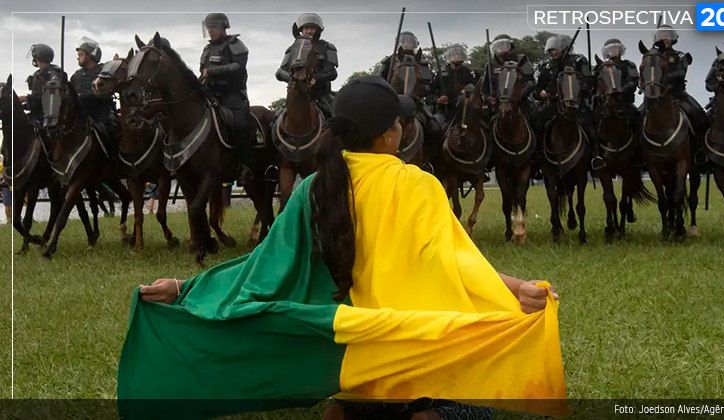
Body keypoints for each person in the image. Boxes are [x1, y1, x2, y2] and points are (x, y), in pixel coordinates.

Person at [120, 76, 567, 420]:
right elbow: (454, 264)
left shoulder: (313, 187)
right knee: (471, 399)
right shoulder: (416, 183)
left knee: (350, 406)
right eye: (398, 121)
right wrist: (516, 291)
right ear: (388, 135)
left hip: (353, 366)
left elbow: (261, 267)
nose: (401, 128)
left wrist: (186, 288)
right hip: (415, 354)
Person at [199, 12, 254, 186]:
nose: (211, 31)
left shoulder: (235, 44)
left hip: (232, 94)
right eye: (209, 28)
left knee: (240, 123)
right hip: (210, 93)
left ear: (223, 27)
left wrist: (213, 72)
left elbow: (238, 67)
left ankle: (245, 166)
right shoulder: (207, 49)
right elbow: (202, 71)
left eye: (214, 27)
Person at [536, 34, 604, 170]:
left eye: (555, 50)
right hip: (554, 105)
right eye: (551, 50)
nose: (553, 53)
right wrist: (541, 93)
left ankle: (596, 157)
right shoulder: (547, 67)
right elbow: (538, 89)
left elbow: (588, 81)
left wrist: (577, 88)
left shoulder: (579, 61)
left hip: (576, 103)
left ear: (564, 48)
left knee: (590, 125)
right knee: (538, 124)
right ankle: (537, 159)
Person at [651, 25, 709, 165]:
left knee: (700, 115)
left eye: (668, 36)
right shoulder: (652, 57)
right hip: (657, 97)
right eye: (662, 36)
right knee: (639, 116)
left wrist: (662, 77)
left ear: (673, 39)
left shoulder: (680, 55)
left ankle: (701, 150)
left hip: (678, 94)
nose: (665, 38)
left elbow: (680, 73)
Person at [275, 13, 338, 119]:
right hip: (297, 94)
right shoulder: (293, 48)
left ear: (318, 30)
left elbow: (332, 73)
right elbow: (280, 72)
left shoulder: (327, 47)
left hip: (321, 94)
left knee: (338, 119)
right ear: (301, 30)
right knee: (275, 119)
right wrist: (293, 79)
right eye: (306, 28)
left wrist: (314, 78)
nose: (309, 31)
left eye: (312, 28)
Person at [70, 37, 121, 158]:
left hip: (100, 114)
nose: (78, 57)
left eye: (81, 54)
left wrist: (82, 96)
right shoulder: (76, 76)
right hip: (80, 115)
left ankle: (116, 160)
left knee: (113, 131)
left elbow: (105, 91)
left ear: (90, 55)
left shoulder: (103, 71)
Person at [480, 34, 537, 123]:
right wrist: (487, 97)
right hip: (497, 101)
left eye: (504, 45)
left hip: (519, 100)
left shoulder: (520, 59)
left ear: (511, 47)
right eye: (498, 46)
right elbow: (484, 87)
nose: (501, 49)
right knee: (482, 118)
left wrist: (519, 95)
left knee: (535, 116)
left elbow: (530, 81)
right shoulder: (490, 65)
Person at [593, 38, 641, 132]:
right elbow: (595, 84)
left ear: (620, 50)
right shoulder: (600, 67)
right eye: (610, 49)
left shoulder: (628, 65)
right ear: (606, 52)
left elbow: (632, 82)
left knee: (637, 119)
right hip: (606, 102)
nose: (613, 51)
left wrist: (619, 91)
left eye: (615, 48)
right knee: (592, 121)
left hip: (624, 101)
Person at [430, 43, 477, 127]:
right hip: (445, 111)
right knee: (434, 127)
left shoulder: (469, 72)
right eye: (454, 55)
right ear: (449, 56)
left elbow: (476, 91)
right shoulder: (440, 73)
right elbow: (429, 94)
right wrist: (437, 100)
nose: (456, 57)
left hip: (465, 111)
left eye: (459, 55)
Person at [20, 43, 67, 126]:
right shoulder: (38, 74)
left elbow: (50, 98)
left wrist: (26, 98)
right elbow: (37, 102)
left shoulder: (54, 75)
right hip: (36, 115)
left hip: (48, 118)